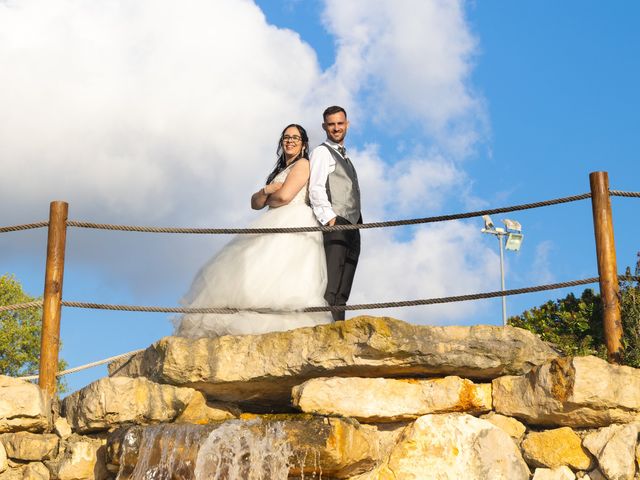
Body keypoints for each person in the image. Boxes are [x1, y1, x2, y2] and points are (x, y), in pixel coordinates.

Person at [174, 124, 333, 338]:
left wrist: (269, 197)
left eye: (295, 137)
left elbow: (285, 197)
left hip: (293, 220)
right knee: (254, 271)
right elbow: (254, 202)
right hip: (273, 221)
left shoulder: (303, 164)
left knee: (282, 273)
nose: (290, 141)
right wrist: (267, 190)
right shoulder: (279, 171)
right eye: (286, 137)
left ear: (303, 144)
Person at [309, 106, 362, 321]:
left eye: (340, 123)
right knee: (331, 282)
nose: (336, 128)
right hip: (336, 223)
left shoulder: (346, 157)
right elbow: (316, 187)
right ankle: (324, 327)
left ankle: (338, 328)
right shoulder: (322, 152)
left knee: (344, 284)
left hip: (354, 224)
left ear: (347, 124)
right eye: (331, 124)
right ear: (324, 127)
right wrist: (328, 218)